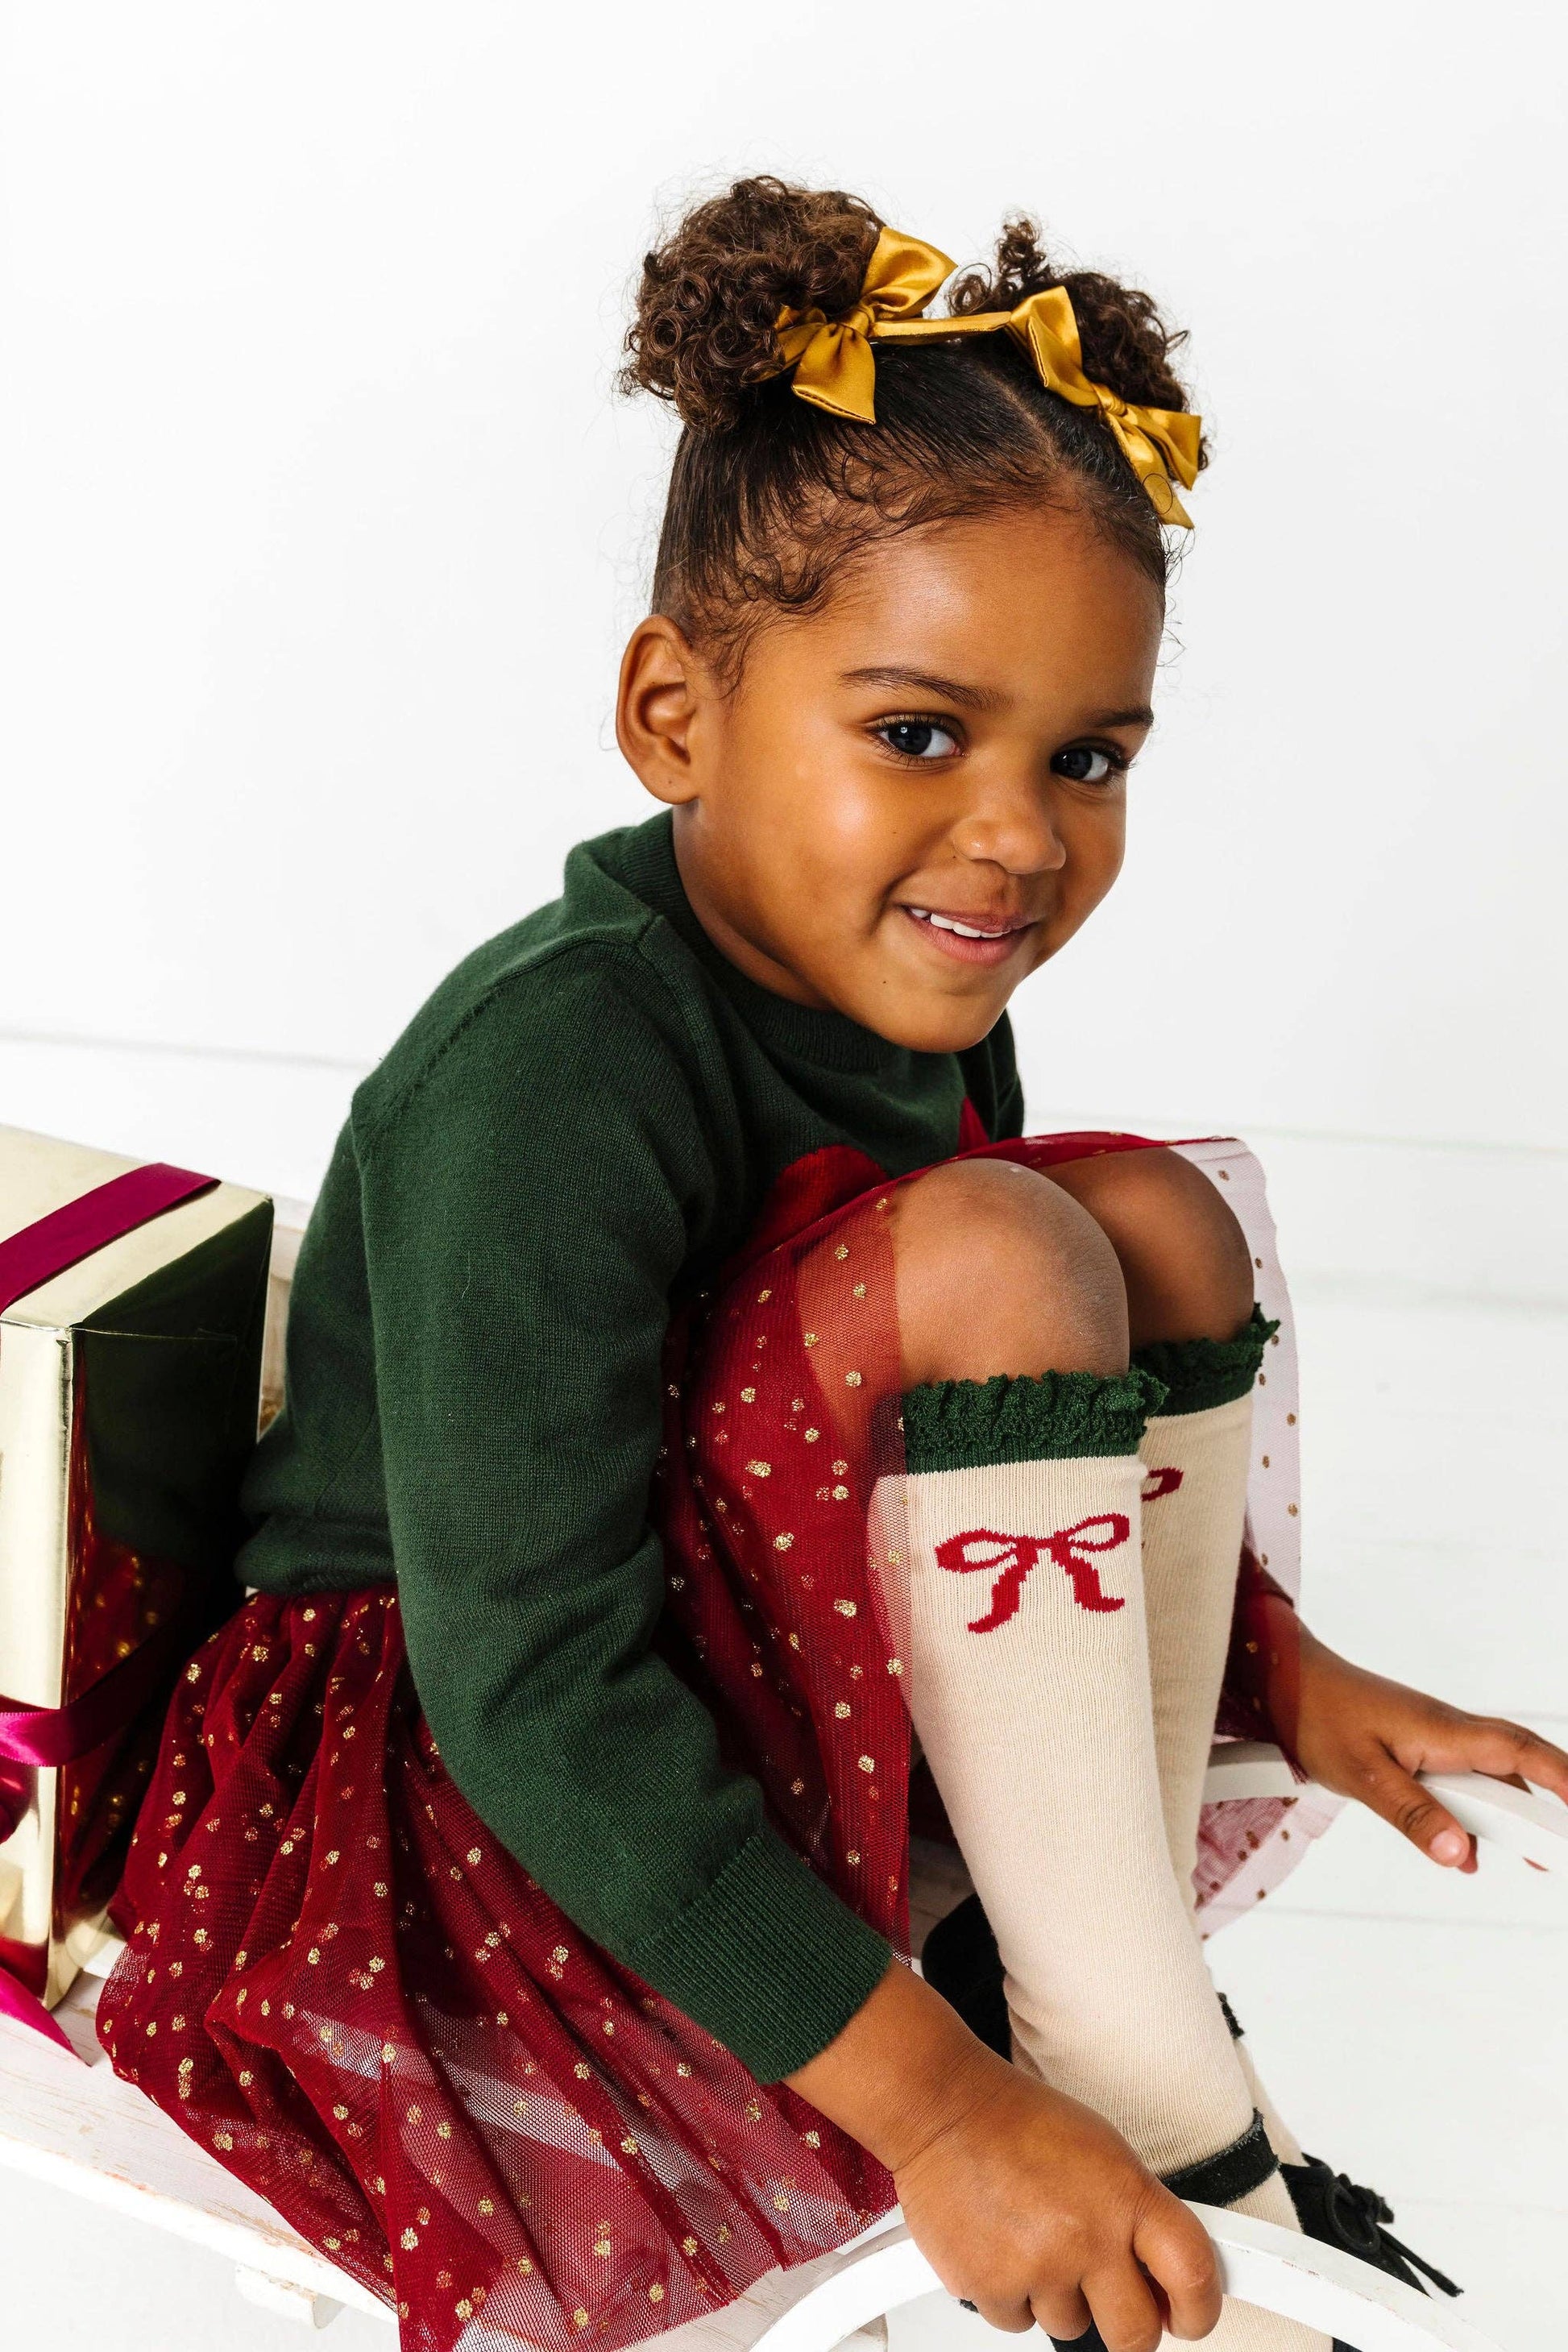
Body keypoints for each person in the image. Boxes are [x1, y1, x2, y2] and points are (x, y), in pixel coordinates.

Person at [98, 178, 1568, 2352]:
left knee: (1126, 1215)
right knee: (999, 1237)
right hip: (451, 1755)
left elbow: (989, 1393)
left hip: (720, 1611)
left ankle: (1120, 2055)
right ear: (674, 715)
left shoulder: (900, 988)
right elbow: (534, 1691)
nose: (1015, 833)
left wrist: (1277, 1659)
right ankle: (1121, 2107)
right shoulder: (556, 1062)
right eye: (916, 733)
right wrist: (932, 2106)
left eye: (1085, 759)